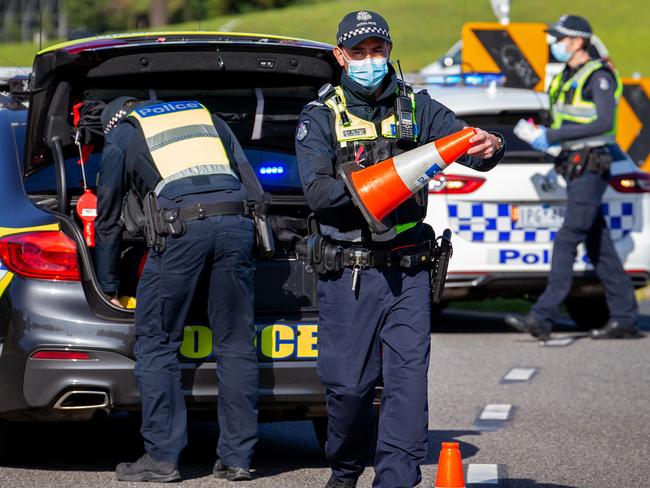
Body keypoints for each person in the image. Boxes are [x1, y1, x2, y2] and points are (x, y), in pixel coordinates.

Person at [295, 11, 504, 488]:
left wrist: (491, 145)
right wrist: (378, 180)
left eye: (378, 50)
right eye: (359, 52)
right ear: (340, 56)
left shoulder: (416, 105)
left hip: (408, 270)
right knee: (349, 389)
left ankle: (395, 479)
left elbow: (465, 145)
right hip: (349, 272)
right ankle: (345, 469)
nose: (370, 60)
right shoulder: (321, 115)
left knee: (408, 388)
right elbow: (318, 193)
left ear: (389, 51)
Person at [95, 97, 266, 482]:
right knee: (236, 343)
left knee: (157, 342)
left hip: (181, 230)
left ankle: (162, 458)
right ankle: (238, 458)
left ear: (114, 121)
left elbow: (106, 217)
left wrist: (109, 284)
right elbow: (254, 191)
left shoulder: (124, 133)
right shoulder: (207, 116)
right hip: (237, 224)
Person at [506, 15, 640, 340]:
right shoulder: (567, 76)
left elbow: (604, 123)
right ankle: (624, 318)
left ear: (577, 41)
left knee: (568, 238)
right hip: (573, 165)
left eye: (559, 38)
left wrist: (551, 136)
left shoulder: (599, 76)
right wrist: (539, 131)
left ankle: (542, 315)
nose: (554, 44)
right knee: (599, 245)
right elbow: (563, 117)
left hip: (591, 166)